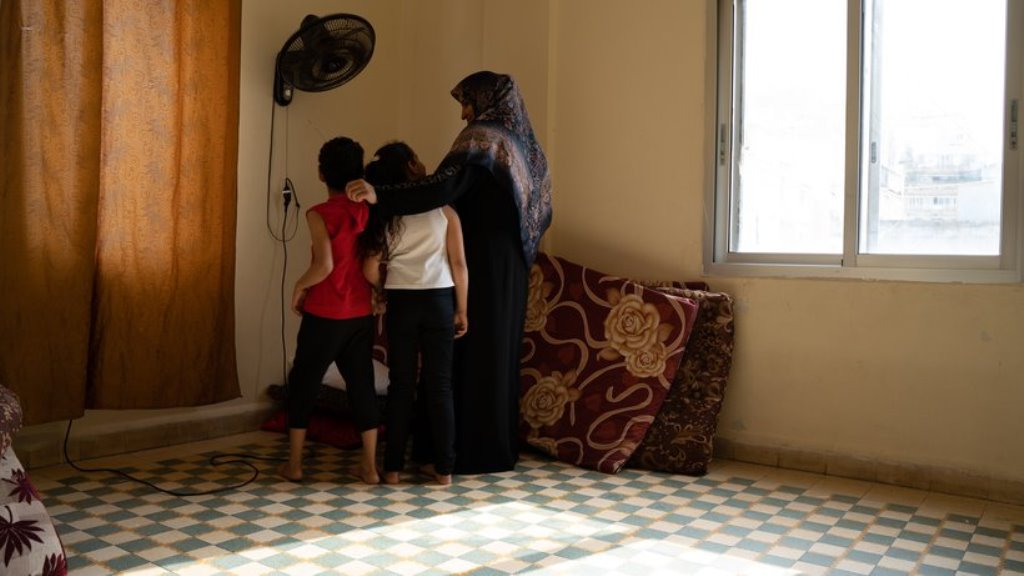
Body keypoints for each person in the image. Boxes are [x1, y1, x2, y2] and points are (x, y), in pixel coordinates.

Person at [347, 71, 552, 474]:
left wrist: (380, 195)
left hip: (480, 261)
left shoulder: (484, 137)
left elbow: (442, 186)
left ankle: (459, 453)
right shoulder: (525, 144)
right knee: (494, 351)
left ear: (485, 100)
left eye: (466, 102)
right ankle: (487, 450)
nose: (463, 114)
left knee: (469, 356)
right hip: (509, 263)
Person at [358, 141, 468, 485]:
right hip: (439, 300)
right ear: (409, 164)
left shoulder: (386, 213)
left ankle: (391, 469)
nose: (423, 163)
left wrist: (381, 291)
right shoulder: (444, 212)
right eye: (417, 159)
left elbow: (369, 266)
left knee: (401, 385)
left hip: (402, 302)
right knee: (440, 386)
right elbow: (459, 264)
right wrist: (462, 308)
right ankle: (444, 470)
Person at [278, 136, 381, 485]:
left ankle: (294, 463)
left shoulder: (319, 214)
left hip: (324, 313)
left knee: (304, 383)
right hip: (360, 314)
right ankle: (369, 466)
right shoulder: (368, 211)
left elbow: (323, 265)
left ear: (321, 174)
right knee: (361, 386)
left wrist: (299, 286)